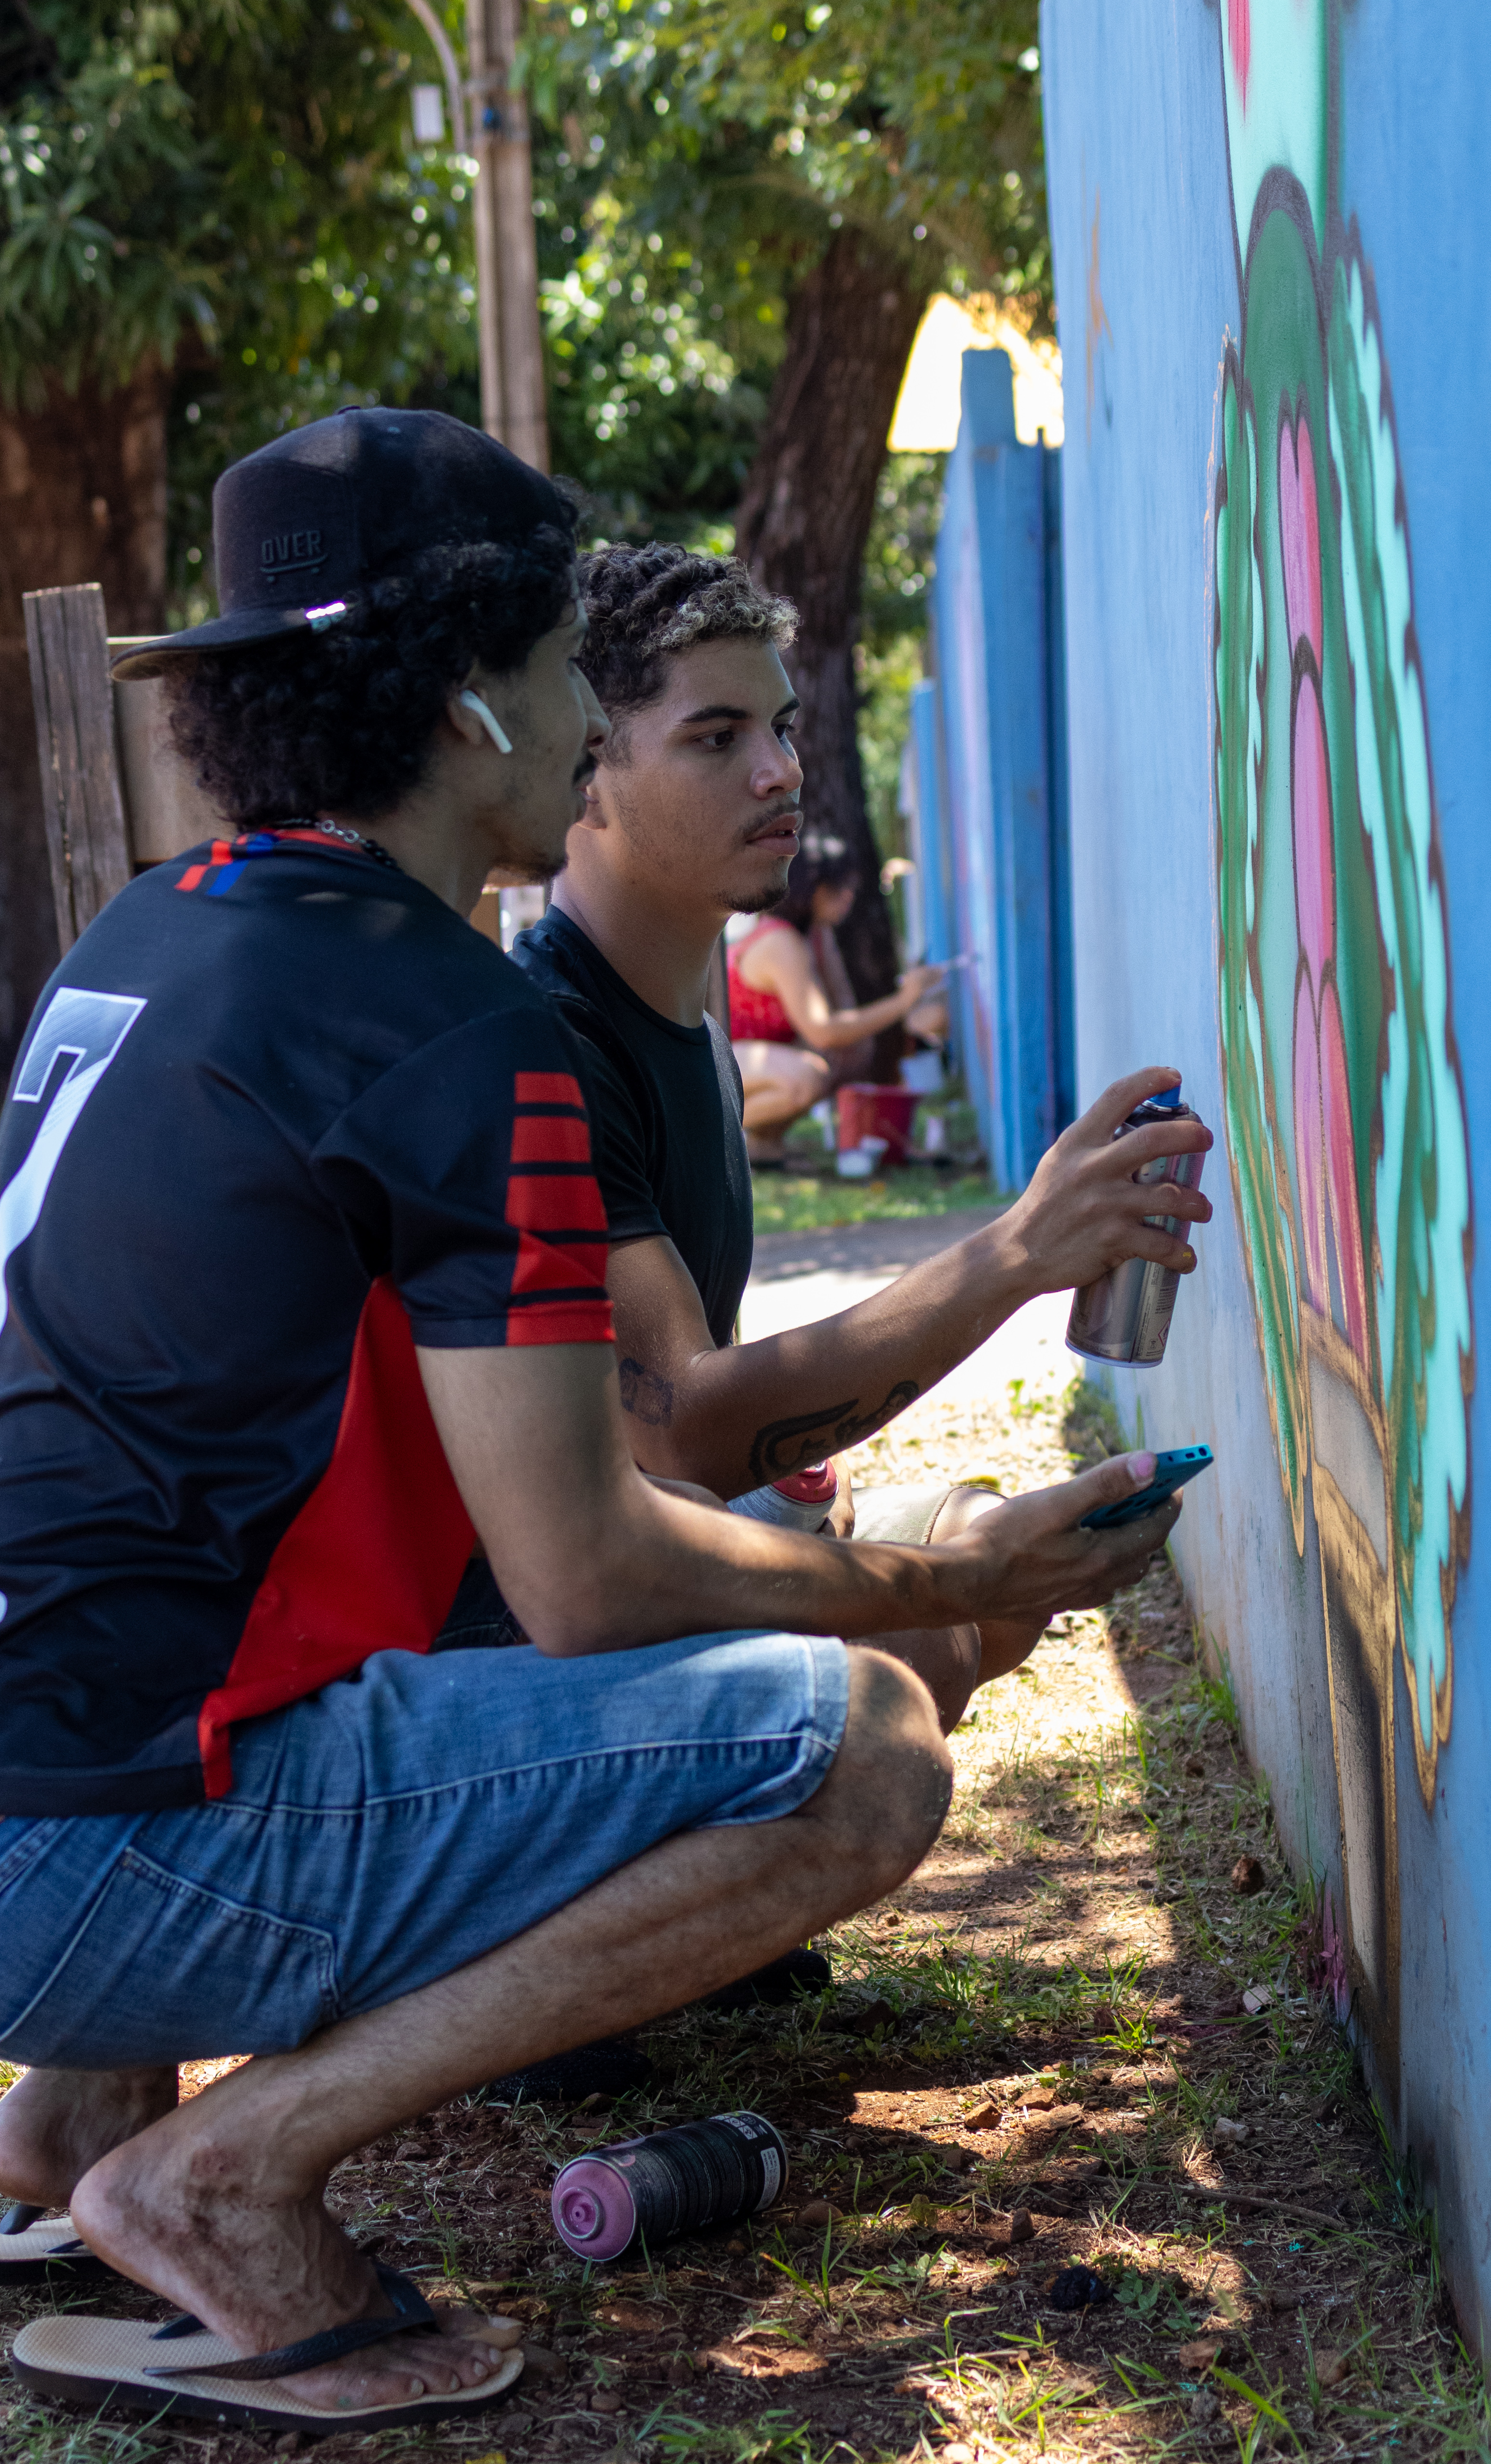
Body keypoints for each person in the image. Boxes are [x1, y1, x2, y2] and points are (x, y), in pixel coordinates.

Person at [0, 411, 1183, 2437]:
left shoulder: (162, 925)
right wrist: (952, 1572)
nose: (591, 722)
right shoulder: (451, 1021)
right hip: (63, 1865)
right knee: (862, 1747)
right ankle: (217, 2172)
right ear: (467, 694)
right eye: (577, 670)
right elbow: (588, 1572)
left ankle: (73, 2118)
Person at [513, 540, 1215, 1745]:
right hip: (547, 1636)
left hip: (684, 1532)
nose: (782, 772)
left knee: (986, 1535)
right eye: (716, 737)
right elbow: (680, 1422)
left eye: (782, 728)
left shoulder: (676, 1002)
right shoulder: (550, 1041)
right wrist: (1016, 1252)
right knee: (921, 1655)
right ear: (585, 766)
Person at [724, 831, 944, 1164]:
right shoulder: (782, 942)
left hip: (747, 1060)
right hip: (723, 1062)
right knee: (806, 1077)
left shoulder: (815, 934)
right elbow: (823, 1030)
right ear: (813, 889)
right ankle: (709, 1139)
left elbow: (845, 1019)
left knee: (848, 1055)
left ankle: (762, 1144)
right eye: (841, 888)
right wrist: (903, 1002)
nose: (849, 897)